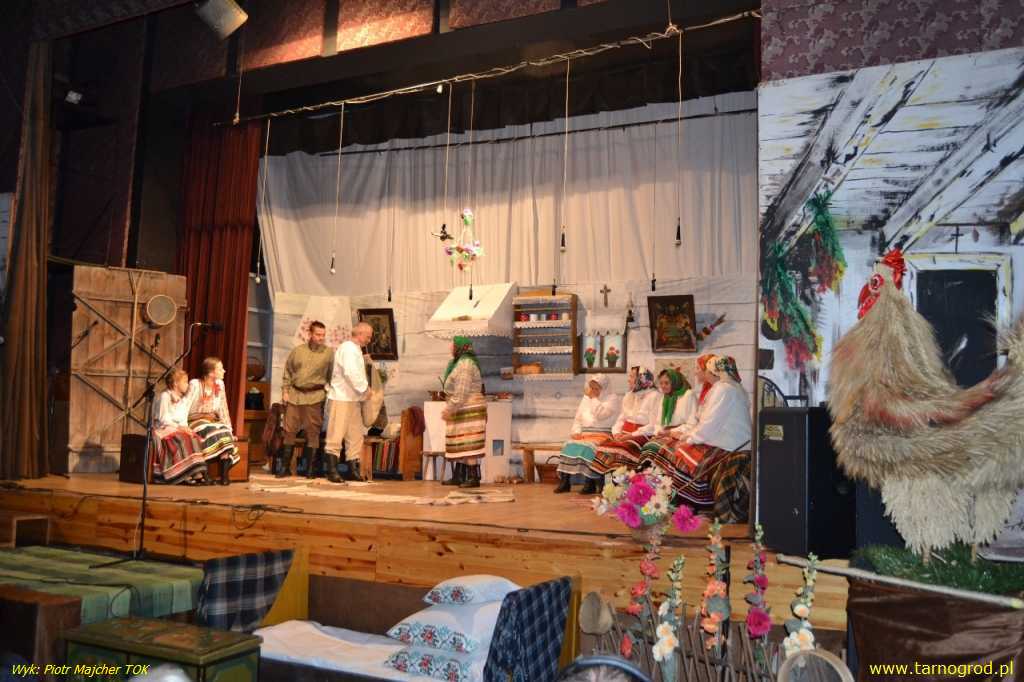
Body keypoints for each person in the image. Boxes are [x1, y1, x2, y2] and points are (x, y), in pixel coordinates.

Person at [644, 356, 752, 522]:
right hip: (725, 441)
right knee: (675, 448)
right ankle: (682, 500)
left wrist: (688, 439)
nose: (700, 372)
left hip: (731, 444)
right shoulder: (729, 387)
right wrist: (686, 436)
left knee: (680, 453)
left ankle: (692, 503)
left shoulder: (725, 389)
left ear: (714, 371)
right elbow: (705, 423)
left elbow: (709, 424)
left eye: (704, 369)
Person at [274, 320, 333, 478]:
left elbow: (332, 376)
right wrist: (285, 391)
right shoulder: (297, 351)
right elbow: (288, 372)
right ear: (310, 334)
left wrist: (330, 394)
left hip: (315, 396)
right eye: (318, 334)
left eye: (323, 335)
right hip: (295, 395)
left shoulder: (328, 354)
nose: (321, 337)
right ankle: (285, 467)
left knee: (313, 432)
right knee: (289, 431)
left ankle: (310, 470)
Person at [554, 374, 621, 494]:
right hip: (585, 434)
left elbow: (601, 415)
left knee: (589, 447)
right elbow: (578, 417)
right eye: (592, 388)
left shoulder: (612, 398)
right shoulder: (586, 398)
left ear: (604, 388)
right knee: (568, 445)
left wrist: (593, 399)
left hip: (603, 434)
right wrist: (576, 432)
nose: (593, 391)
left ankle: (589, 483)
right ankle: (565, 482)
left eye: (596, 388)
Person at [325, 322, 374, 482]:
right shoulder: (348, 348)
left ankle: (352, 470)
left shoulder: (356, 350)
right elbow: (351, 372)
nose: (369, 340)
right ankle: (332, 471)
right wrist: (365, 388)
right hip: (341, 398)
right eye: (368, 337)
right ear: (359, 334)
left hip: (353, 399)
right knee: (336, 434)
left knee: (355, 435)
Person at [441, 336, 487, 488]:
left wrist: (450, 408)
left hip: (468, 407)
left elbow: (461, 392)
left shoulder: (465, 364)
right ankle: (459, 476)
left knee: (469, 442)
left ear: (460, 347)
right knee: (461, 442)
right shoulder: (459, 362)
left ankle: (474, 478)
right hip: (464, 407)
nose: (451, 348)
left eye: (453, 345)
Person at [186, 357, 239, 485]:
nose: (224, 371)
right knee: (211, 431)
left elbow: (223, 408)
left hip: (212, 420)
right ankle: (205, 472)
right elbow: (185, 405)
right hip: (195, 420)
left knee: (224, 431)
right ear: (211, 373)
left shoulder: (220, 385)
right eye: (220, 369)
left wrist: (229, 429)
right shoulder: (195, 384)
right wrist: (183, 426)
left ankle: (224, 475)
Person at [151, 369, 208, 485]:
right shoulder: (165, 396)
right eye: (185, 382)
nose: (187, 385)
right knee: (181, 439)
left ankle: (194, 471)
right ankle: (180, 474)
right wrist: (180, 428)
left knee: (193, 438)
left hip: (177, 428)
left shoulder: (183, 400)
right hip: (164, 429)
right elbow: (163, 419)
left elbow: (183, 420)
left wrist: (186, 429)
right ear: (176, 383)